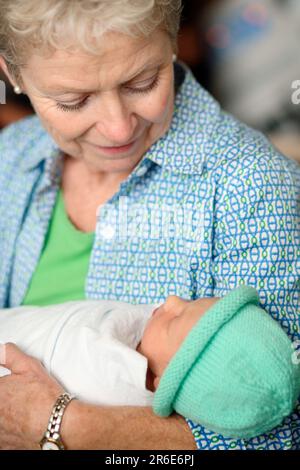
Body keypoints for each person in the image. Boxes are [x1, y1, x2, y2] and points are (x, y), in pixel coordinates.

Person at [0, 0, 299, 450]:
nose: (118, 128)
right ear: (13, 76)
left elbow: (283, 430)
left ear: (173, 43)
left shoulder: (252, 187)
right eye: (73, 100)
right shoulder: (11, 158)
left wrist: (67, 425)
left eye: (142, 82)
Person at [1, 286, 299, 442]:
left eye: (175, 319)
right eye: (189, 303)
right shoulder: (148, 336)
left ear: (161, 382)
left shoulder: (109, 388)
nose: (171, 301)